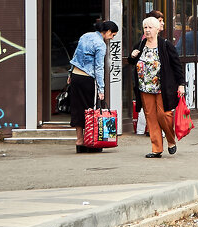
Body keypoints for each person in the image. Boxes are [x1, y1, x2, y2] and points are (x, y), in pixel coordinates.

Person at [129, 16, 184, 158]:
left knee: (164, 115)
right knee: (150, 117)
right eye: (145, 28)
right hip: (145, 87)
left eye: (150, 28)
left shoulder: (165, 45)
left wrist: (181, 84)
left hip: (162, 87)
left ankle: (171, 140)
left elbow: (177, 65)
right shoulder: (140, 45)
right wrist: (132, 56)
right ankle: (156, 148)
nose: (147, 30)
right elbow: (132, 62)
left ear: (157, 29)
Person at [66, 20, 118, 153]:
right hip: (88, 79)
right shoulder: (100, 45)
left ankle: (79, 141)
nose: (112, 38)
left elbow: (76, 55)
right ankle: (91, 141)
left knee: (78, 108)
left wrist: (70, 73)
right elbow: (99, 68)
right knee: (91, 110)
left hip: (76, 76)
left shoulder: (85, 36)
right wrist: (101, 89)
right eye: (112, 35)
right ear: (106, 32)